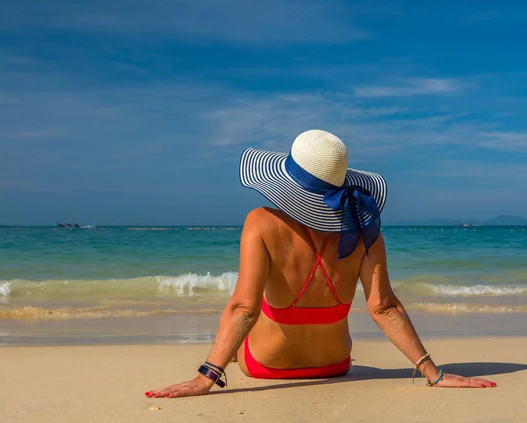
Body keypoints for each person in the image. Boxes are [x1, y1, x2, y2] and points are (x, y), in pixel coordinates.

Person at [146, 130, 496, 398]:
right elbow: (385, 307)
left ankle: (231, 357)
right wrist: (433, 372)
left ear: (283, 181)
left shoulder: (261, 221)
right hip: (335, 365)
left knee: (251, 320)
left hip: (268, 367)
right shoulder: (364, 227)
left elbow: (243, 308)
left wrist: (205, 377)